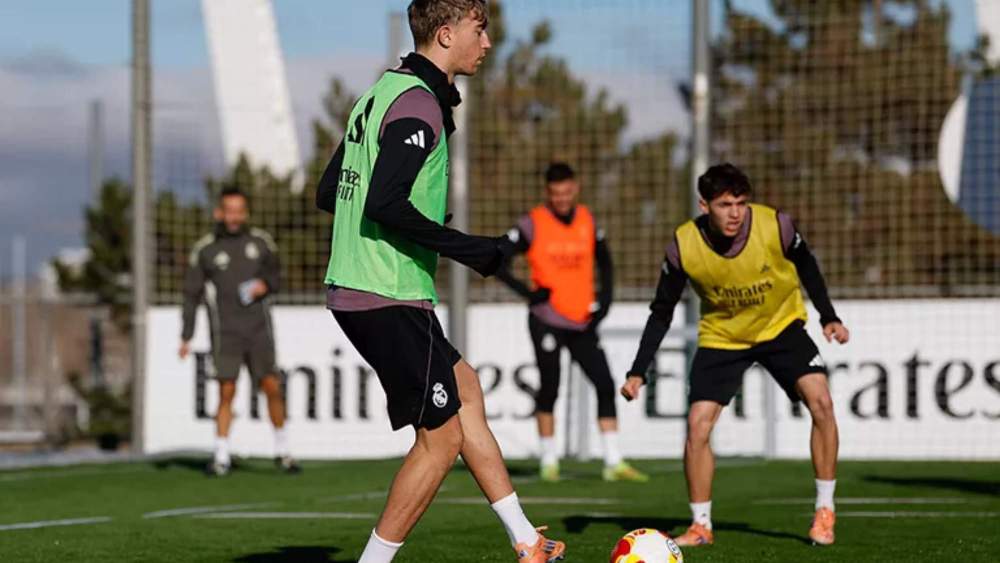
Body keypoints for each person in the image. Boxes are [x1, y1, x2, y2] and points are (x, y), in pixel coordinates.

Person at [315, 2, 564, 561]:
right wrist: (472, 248)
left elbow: (330, 192)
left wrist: (419, 221)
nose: (488, 43)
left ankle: (526, 541)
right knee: (441, 439)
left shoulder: (381, 94)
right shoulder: (418, 104)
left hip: (369, 286)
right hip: (386, 292)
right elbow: (382, 202)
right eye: (481, 30)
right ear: (447, 34)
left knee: (466, 390)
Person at [621, 163, 849, 547]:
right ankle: (700, 525)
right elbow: (662, 311)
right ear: (704, 204)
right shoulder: (684, 245)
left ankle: (825, 511)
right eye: (725, 204)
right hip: (723, 337)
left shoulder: (776, 226)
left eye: (741, 203)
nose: (735, 213)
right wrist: (638, 370)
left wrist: (829, 316)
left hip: (780, 327)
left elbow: (807, 265)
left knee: (822, 403)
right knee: (697, 427)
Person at [497, 162, 648, 483]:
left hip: (582, 322)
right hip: (546, 321)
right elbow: (499, 261)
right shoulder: (532, 223)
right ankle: (549, 461)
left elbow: (606, 263)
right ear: (547, 192)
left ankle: (613, 461)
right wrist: (528, 293)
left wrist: (604, 303)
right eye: (555, 193)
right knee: (550, 386)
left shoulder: (587, 220)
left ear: (575, 188)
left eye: (566, 192)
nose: (561, 199)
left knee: (605, 384)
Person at [180, 187, 300, 476]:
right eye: (228, 210)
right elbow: (191, 294)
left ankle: (283, 452)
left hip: (259, 330)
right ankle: (221, 456)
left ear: (245, 213)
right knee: (226, 392)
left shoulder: (261, 243)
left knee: (271, 387)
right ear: (219, 212)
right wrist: (186, 335)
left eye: (239, 211)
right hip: (226, 334)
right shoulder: (206, 250)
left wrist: (265, 285)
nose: (234, 217)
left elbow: (276, 276)